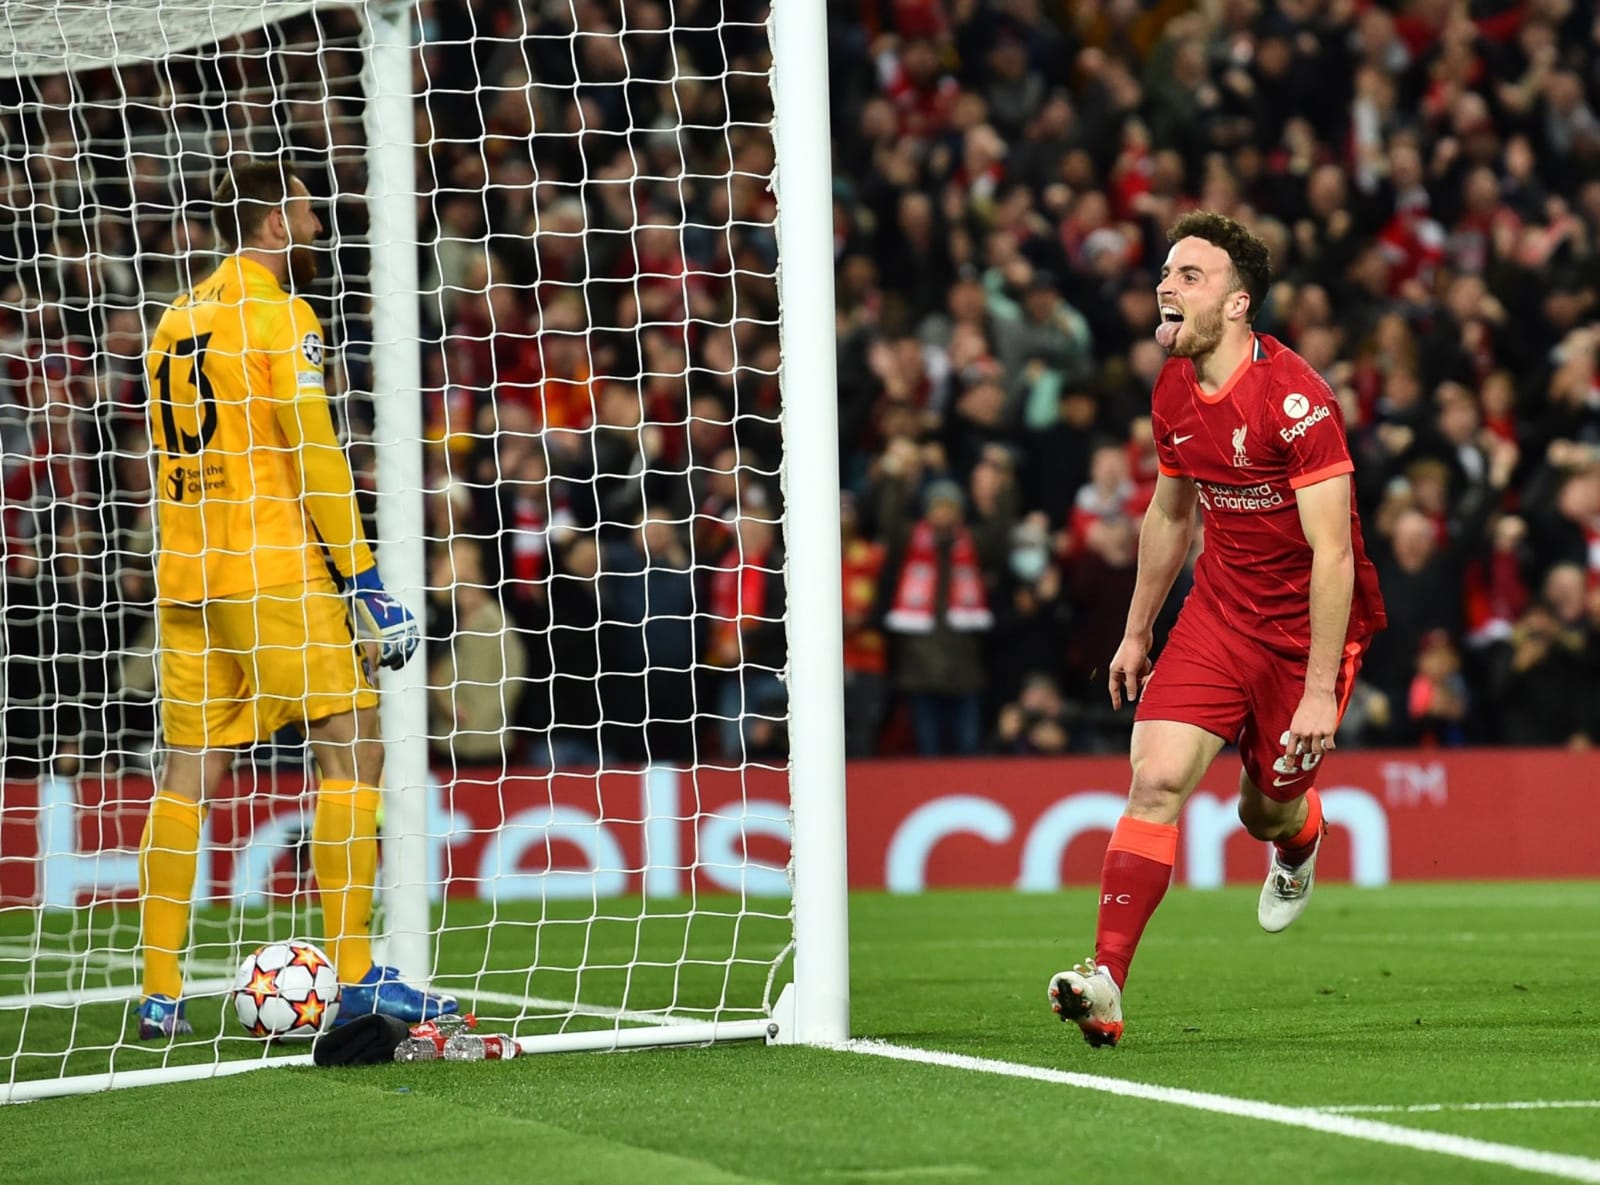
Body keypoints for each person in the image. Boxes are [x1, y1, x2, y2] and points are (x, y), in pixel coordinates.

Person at [1048, 211, 1387, 1047]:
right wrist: (1137, 632)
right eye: (1167, 272)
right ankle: (1106, 980)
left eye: (1189, 275)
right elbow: (1171, 515)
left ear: (1238, 304)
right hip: (1219, 614)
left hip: (1306, 634)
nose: (1166, 285)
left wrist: (1318, 692)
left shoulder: (1297, 402)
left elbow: (1334, 553)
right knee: (1156, 776)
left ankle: (1299, 837)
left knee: (1263, 812)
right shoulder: (1172, 389)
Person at [135, 161, 456, 1039]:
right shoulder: (282, 316)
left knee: (187, 773)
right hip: (271, 565)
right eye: (310, 212)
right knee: (353, 748)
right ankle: (354, 974)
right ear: (276, 220)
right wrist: (363, 578)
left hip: (186, 575)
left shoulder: (174, 318)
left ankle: (160, 988)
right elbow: (314, 454)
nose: (319, 228)